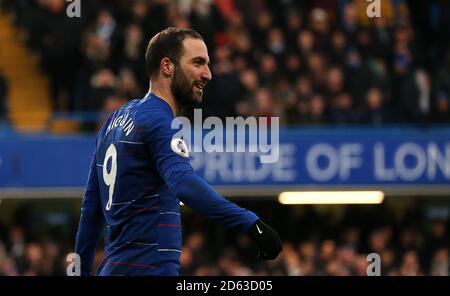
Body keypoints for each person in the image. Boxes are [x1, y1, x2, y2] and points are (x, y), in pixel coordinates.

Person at [75, 27, 282, 276]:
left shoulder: (112, 123)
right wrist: (250, 222)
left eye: (207, 64)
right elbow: (183, 182)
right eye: (198, 63)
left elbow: (91, 213)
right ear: (167, 66)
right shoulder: (159, 122)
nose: (208, 74)